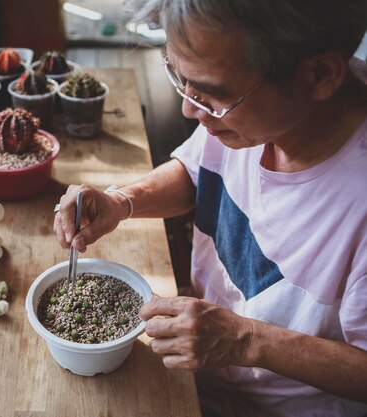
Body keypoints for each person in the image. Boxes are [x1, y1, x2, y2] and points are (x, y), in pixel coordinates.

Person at [53, 1, 367, 416]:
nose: (189, 110)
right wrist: (122, 201)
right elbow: (199, 173)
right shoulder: (249, 118)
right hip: (198, 374)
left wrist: (245, 340)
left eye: (212, 95)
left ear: (320, 75)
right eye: (180, 79)